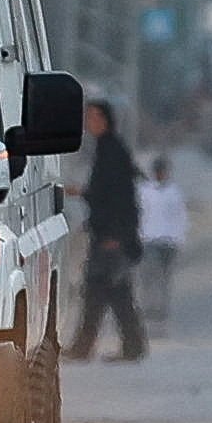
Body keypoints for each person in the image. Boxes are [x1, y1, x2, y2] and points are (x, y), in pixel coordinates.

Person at [64, 99, 147, 363]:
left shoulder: (113, 151)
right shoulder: (106, 149)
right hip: (107, 233)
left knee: (108, 292)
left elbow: (118, 198)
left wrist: (116, 236)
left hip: (112, 236)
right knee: (103, 293)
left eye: (93, 117)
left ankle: (121, 347)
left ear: (105, 120)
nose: (89, 122)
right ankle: (91, 347)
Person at [136, 155, 188, 331]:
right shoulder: (145, 191)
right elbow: (139, 215)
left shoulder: (174, 192)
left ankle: (161, 308)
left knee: (164, 277)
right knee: (149, 275)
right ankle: (148, 306)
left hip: (169, 240)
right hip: (149, 238)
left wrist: (179, 238)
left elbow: (181, 217)